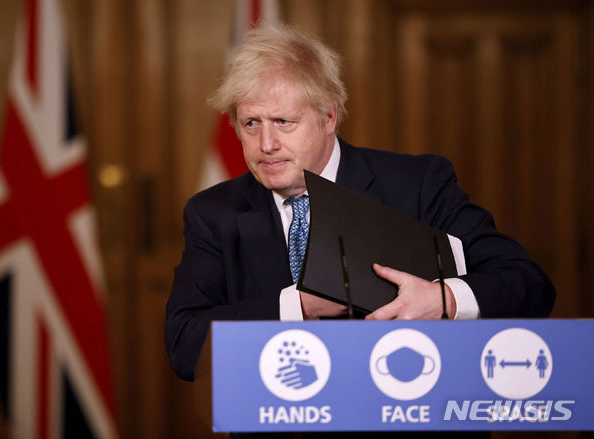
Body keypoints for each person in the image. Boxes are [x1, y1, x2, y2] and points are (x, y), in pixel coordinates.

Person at [164, 23, 556, 383]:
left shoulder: (418, 184)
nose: (266, 145)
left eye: (284, 122)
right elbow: (185, 345)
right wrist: (300, 306)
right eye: (251, 123)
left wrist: (443, 299)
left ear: (329, 116)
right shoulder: (213, 212)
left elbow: (529, 284)